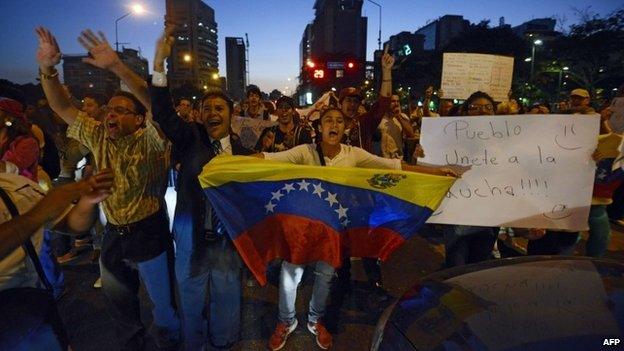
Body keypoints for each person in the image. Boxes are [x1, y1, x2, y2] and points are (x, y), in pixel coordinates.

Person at [257, 107, 467, 351]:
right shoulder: (305, 152)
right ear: (319, 127)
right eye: (328, 121)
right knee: (289, 276)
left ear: (345, 129)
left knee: (325, 279)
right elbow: (268, 159)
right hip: (301, 229)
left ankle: (316, 321)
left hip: (333, 230)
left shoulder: (353, 155)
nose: (333, 125)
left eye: (339, 121)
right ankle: (286, 321)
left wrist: (435, 172)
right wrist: (229, 162)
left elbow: (393, 167)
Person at [36, 27, 180, 350]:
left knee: (163, 308)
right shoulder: (99, 134)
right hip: (113, 234)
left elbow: (161, 112)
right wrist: (47, 68)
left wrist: (117, 67)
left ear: (139, 120)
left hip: (149, 233)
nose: (110, 113)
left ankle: (170, 343)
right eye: (109, 109)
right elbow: (62, 107)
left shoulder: (153, 139)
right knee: (120, 307)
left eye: (121, 110)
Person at [150, 27, 253, 350]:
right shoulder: (190, 139)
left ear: (231, 115)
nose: (212, 113)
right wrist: (158, 64)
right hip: (191, 235)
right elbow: (164, 113)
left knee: (227, 298)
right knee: (190, 298)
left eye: (219, 108)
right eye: (206, 108)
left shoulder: (245, 155)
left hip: (227, 243)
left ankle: (223, 342)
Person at [0, 167, 113, 351]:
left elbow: (71, 224)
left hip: (36, 307)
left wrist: (87, 202)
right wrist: (41, 212)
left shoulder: (15, 186)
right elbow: (45, 212)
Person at [378, 94, 416, 160]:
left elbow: (411, 134)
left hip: (398, 159)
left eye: (398, 101)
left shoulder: (402, 117)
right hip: (382, 159)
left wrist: (399, 117)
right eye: (393, 101)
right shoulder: (379, 118)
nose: (396, 104)